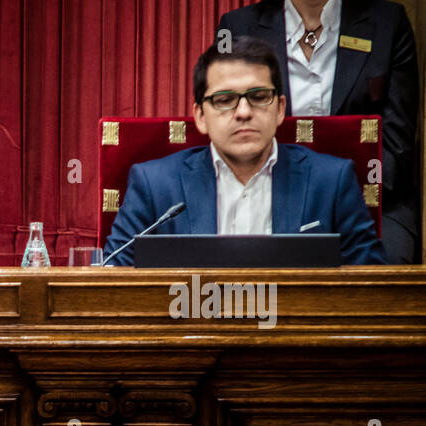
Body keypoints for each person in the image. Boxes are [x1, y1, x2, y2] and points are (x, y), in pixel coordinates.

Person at [103, 36, 385, 266]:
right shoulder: (154, 185)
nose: (244, 112)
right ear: (201, 116)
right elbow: (114, 280)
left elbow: (370, 287)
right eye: (225, 100)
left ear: (280, 109)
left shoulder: (331, 181)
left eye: (259, 97)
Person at [217, 1, 419, 263]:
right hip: (269, 195)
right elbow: (231, 129)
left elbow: (397, 143)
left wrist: (339, 200)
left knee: (383, 281)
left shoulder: (389, 22)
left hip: (373, 199)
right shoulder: (236, 27)